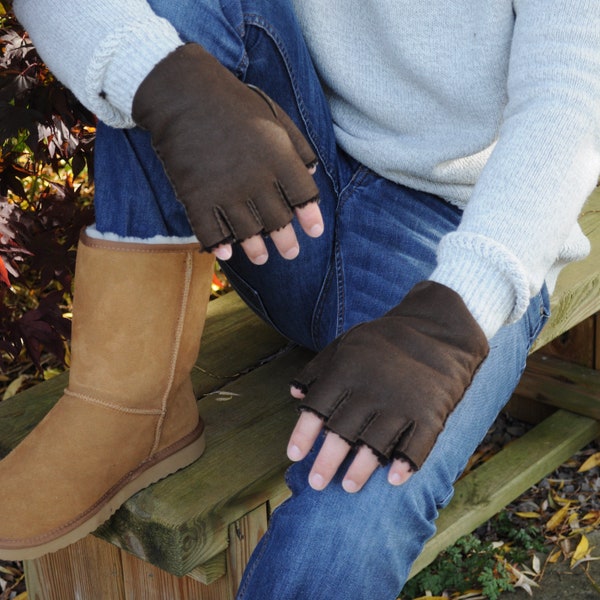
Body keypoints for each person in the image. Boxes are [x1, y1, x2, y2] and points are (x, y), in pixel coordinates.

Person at [4, 1, 600, 598]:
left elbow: (572, 96)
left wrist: (449, 321)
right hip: (279, 172)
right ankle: (128, 400)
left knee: (348, 520)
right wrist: (171, 87)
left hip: (458, 242)